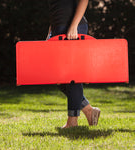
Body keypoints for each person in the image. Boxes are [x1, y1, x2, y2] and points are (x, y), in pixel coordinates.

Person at [47, 0, 100, 128]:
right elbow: (57, 8)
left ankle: (72, 121)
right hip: (58, 29)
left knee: (73, 76)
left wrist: (74, 25)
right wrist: (50, 32)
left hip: (72, 28)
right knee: (57, 78)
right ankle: (88, 109)